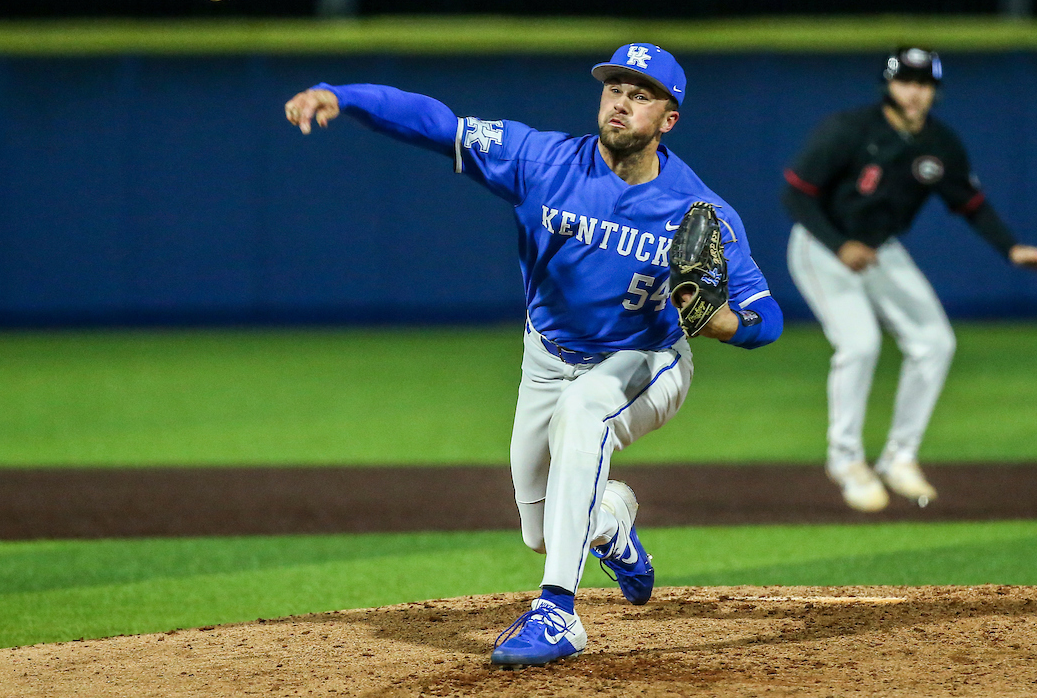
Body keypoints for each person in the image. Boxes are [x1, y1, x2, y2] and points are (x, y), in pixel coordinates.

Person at [284, 43, 783, 666]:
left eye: (641, 94)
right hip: (545, 358)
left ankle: (558, 613)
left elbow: (768, 320)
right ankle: (612, 527)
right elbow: (439, 124)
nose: (622, 102)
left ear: (668, 119)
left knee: (585, 412)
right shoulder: (541, 160)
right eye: (615, 88)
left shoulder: (697, 209)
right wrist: (347, 97)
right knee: (543, 529)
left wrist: (719, 321)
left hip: (645, 362)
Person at [781, 46, 1037, 513]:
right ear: (888, 84)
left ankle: (899, 457)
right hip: (820, 244)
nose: (914, 91)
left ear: (935, 90)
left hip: (880, 248)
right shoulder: (849, 130)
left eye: (923, 83)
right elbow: (797, 196)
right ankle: (846, 460)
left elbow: (969, 202)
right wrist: (838, 243)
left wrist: (1010, 247)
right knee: (861, 344)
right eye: (906, 81)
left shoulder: (940, 144)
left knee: (935, 341)